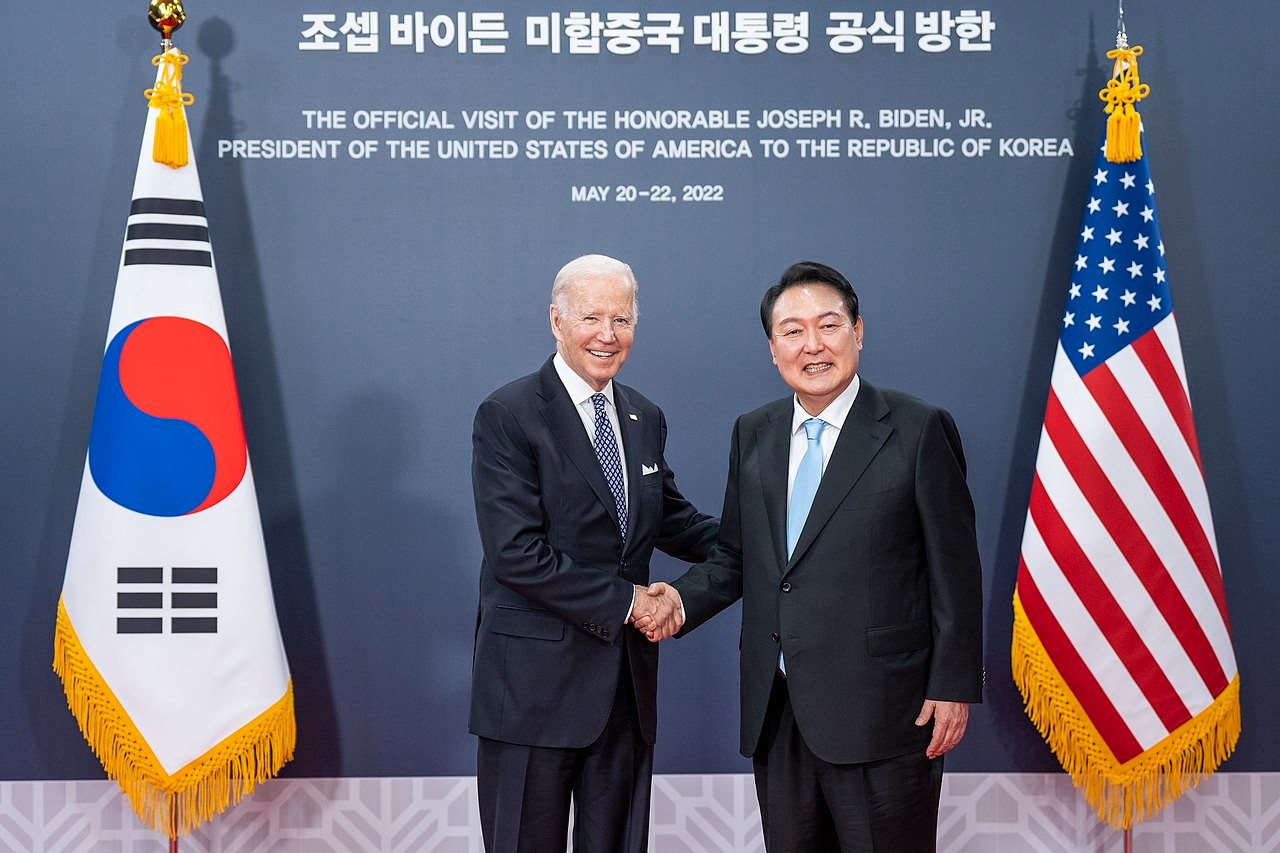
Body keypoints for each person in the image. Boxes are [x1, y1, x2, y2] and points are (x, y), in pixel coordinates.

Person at [639, 260, 983, 852]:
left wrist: (953, 683)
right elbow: (739, 556)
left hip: (886, 713)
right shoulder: (755, 432)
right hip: (779, 712)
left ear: (859, 332)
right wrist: (678, 600)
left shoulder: (918, 428)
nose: (813, 345)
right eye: (793, 331)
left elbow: (956, 568)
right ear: (773, 347)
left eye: (829, 325)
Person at [469, 254, 717, 853]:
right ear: (557, 321)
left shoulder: (643, 415)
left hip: (624, 691)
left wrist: (769, 538)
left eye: (622, 319)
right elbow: (516, 553)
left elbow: (667, 518)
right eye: (591, 317)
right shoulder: (509, 413)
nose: (608, 335)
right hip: (533, 693)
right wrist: (631, 603)